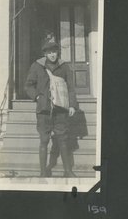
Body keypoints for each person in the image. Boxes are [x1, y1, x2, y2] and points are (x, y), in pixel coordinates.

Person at [25, 40, 78, 177]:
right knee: (44, 140)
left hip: (60, 109)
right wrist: (37, 97)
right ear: (45, 54)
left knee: (63, 139)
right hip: (44, 110)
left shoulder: (64, 67)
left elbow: (71, 87)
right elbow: (29, 85)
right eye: (49, 53)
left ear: (57, 52)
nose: (52, 55)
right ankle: (43, 172)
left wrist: (72, 105)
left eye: (54, 52)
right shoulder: (37, 66)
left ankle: (67, 170)